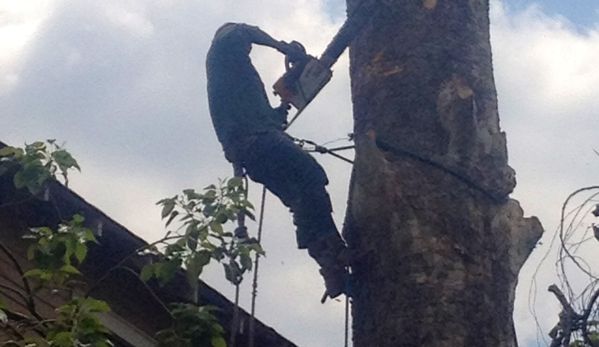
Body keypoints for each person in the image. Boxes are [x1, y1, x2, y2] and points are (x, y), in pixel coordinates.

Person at [206, 23, 348, 299]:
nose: (247, 49)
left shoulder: (240, 80)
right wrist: (282, 46)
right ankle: (330, 249)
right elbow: (241, 31)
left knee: (300, 196)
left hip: (253, 148)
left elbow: (267, 118)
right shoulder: (222, 53)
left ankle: (331, 261)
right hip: (255, 142)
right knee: (311, 174)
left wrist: (283, 105)